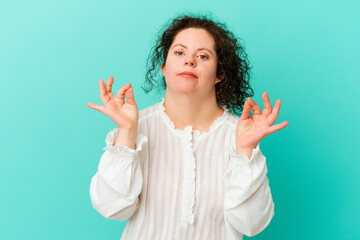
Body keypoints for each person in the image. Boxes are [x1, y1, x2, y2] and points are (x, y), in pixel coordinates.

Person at [87, 15, 289, 240]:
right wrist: (126, 134)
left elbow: (252, 224)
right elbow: (111, 208)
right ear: (163, 67)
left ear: (219, 74)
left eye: (203, 56)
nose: (190, 61)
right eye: (180, 52)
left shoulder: (240, 135)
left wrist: (245, 151)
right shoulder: (137, 127)